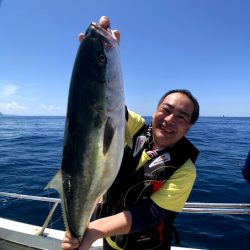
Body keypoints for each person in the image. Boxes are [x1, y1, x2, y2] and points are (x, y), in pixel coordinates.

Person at [61, 16, 200, 250]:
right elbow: (102, 107)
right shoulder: (136, 128)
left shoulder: (185, 169)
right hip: (109, 243)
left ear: (188, 127)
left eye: (181, 117)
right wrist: (94, 59)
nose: (168, 120)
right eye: (165, 110)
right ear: (155, 111)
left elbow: (150, 214)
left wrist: (94, 231)